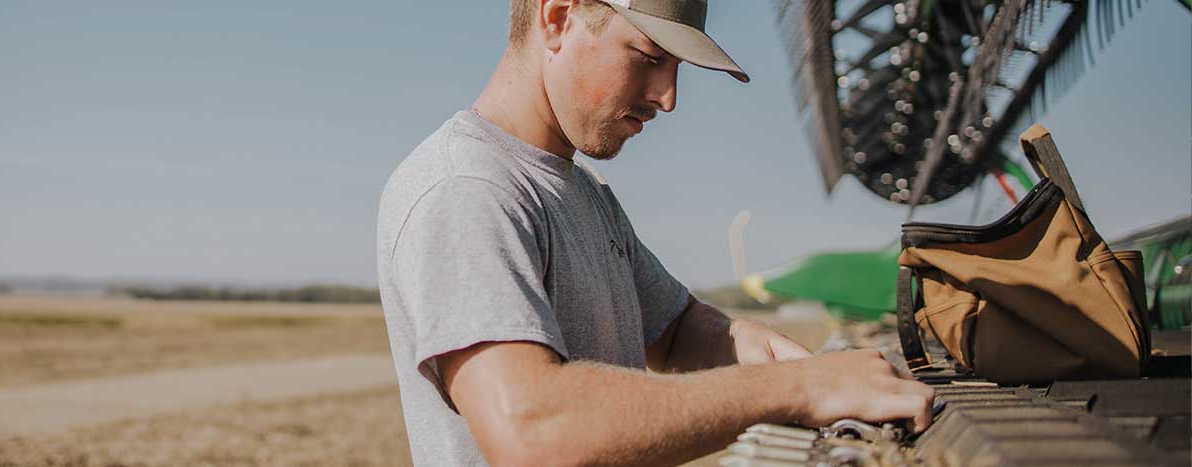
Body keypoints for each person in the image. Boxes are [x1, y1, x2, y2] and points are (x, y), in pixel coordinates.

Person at [375, 0, 935, 465]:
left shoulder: (582, 190)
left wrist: (806, 368)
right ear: (557, 17)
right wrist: (798, 389)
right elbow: (531, 431)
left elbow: (674, 332)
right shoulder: (466, 189)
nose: (668, 97)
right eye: (648, 57)